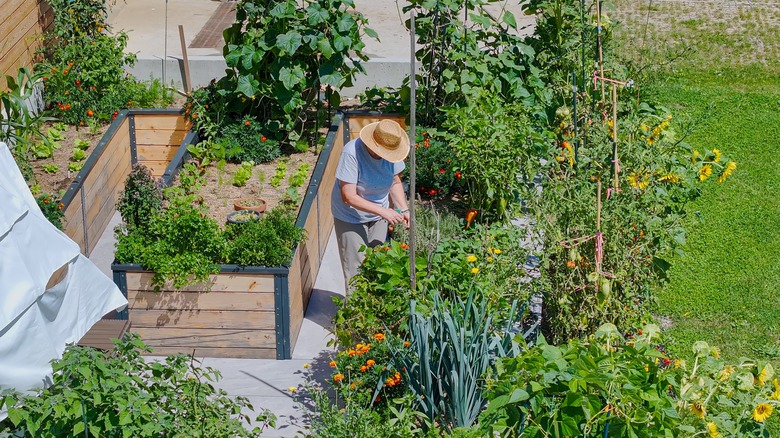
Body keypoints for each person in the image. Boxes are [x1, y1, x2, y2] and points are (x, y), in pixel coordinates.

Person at [331, 119, 410, 295]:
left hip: (379, 213)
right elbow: (348, 196)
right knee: (356, 268)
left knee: (377, 261)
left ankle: (373, 310)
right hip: (350, 215)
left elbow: (395, 182)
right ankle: (354, 316)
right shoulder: (352, 153)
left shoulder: (391, 154)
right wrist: (385, 212)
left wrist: (404, 209)